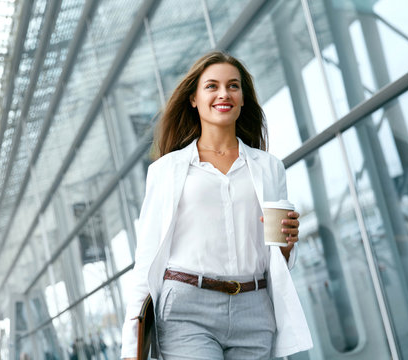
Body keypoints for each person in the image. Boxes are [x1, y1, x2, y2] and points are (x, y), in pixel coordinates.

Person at [121, 51, 312, 359]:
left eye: (233, 86)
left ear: (243, 98)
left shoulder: (269, 167)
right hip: (186, 310)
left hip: (255, 308)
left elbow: (277, 256)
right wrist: (131, 346)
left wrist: (288, 243)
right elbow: (147, 256)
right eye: (212, 86)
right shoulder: (166, 170)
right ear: (194, 99)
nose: (224, 93)